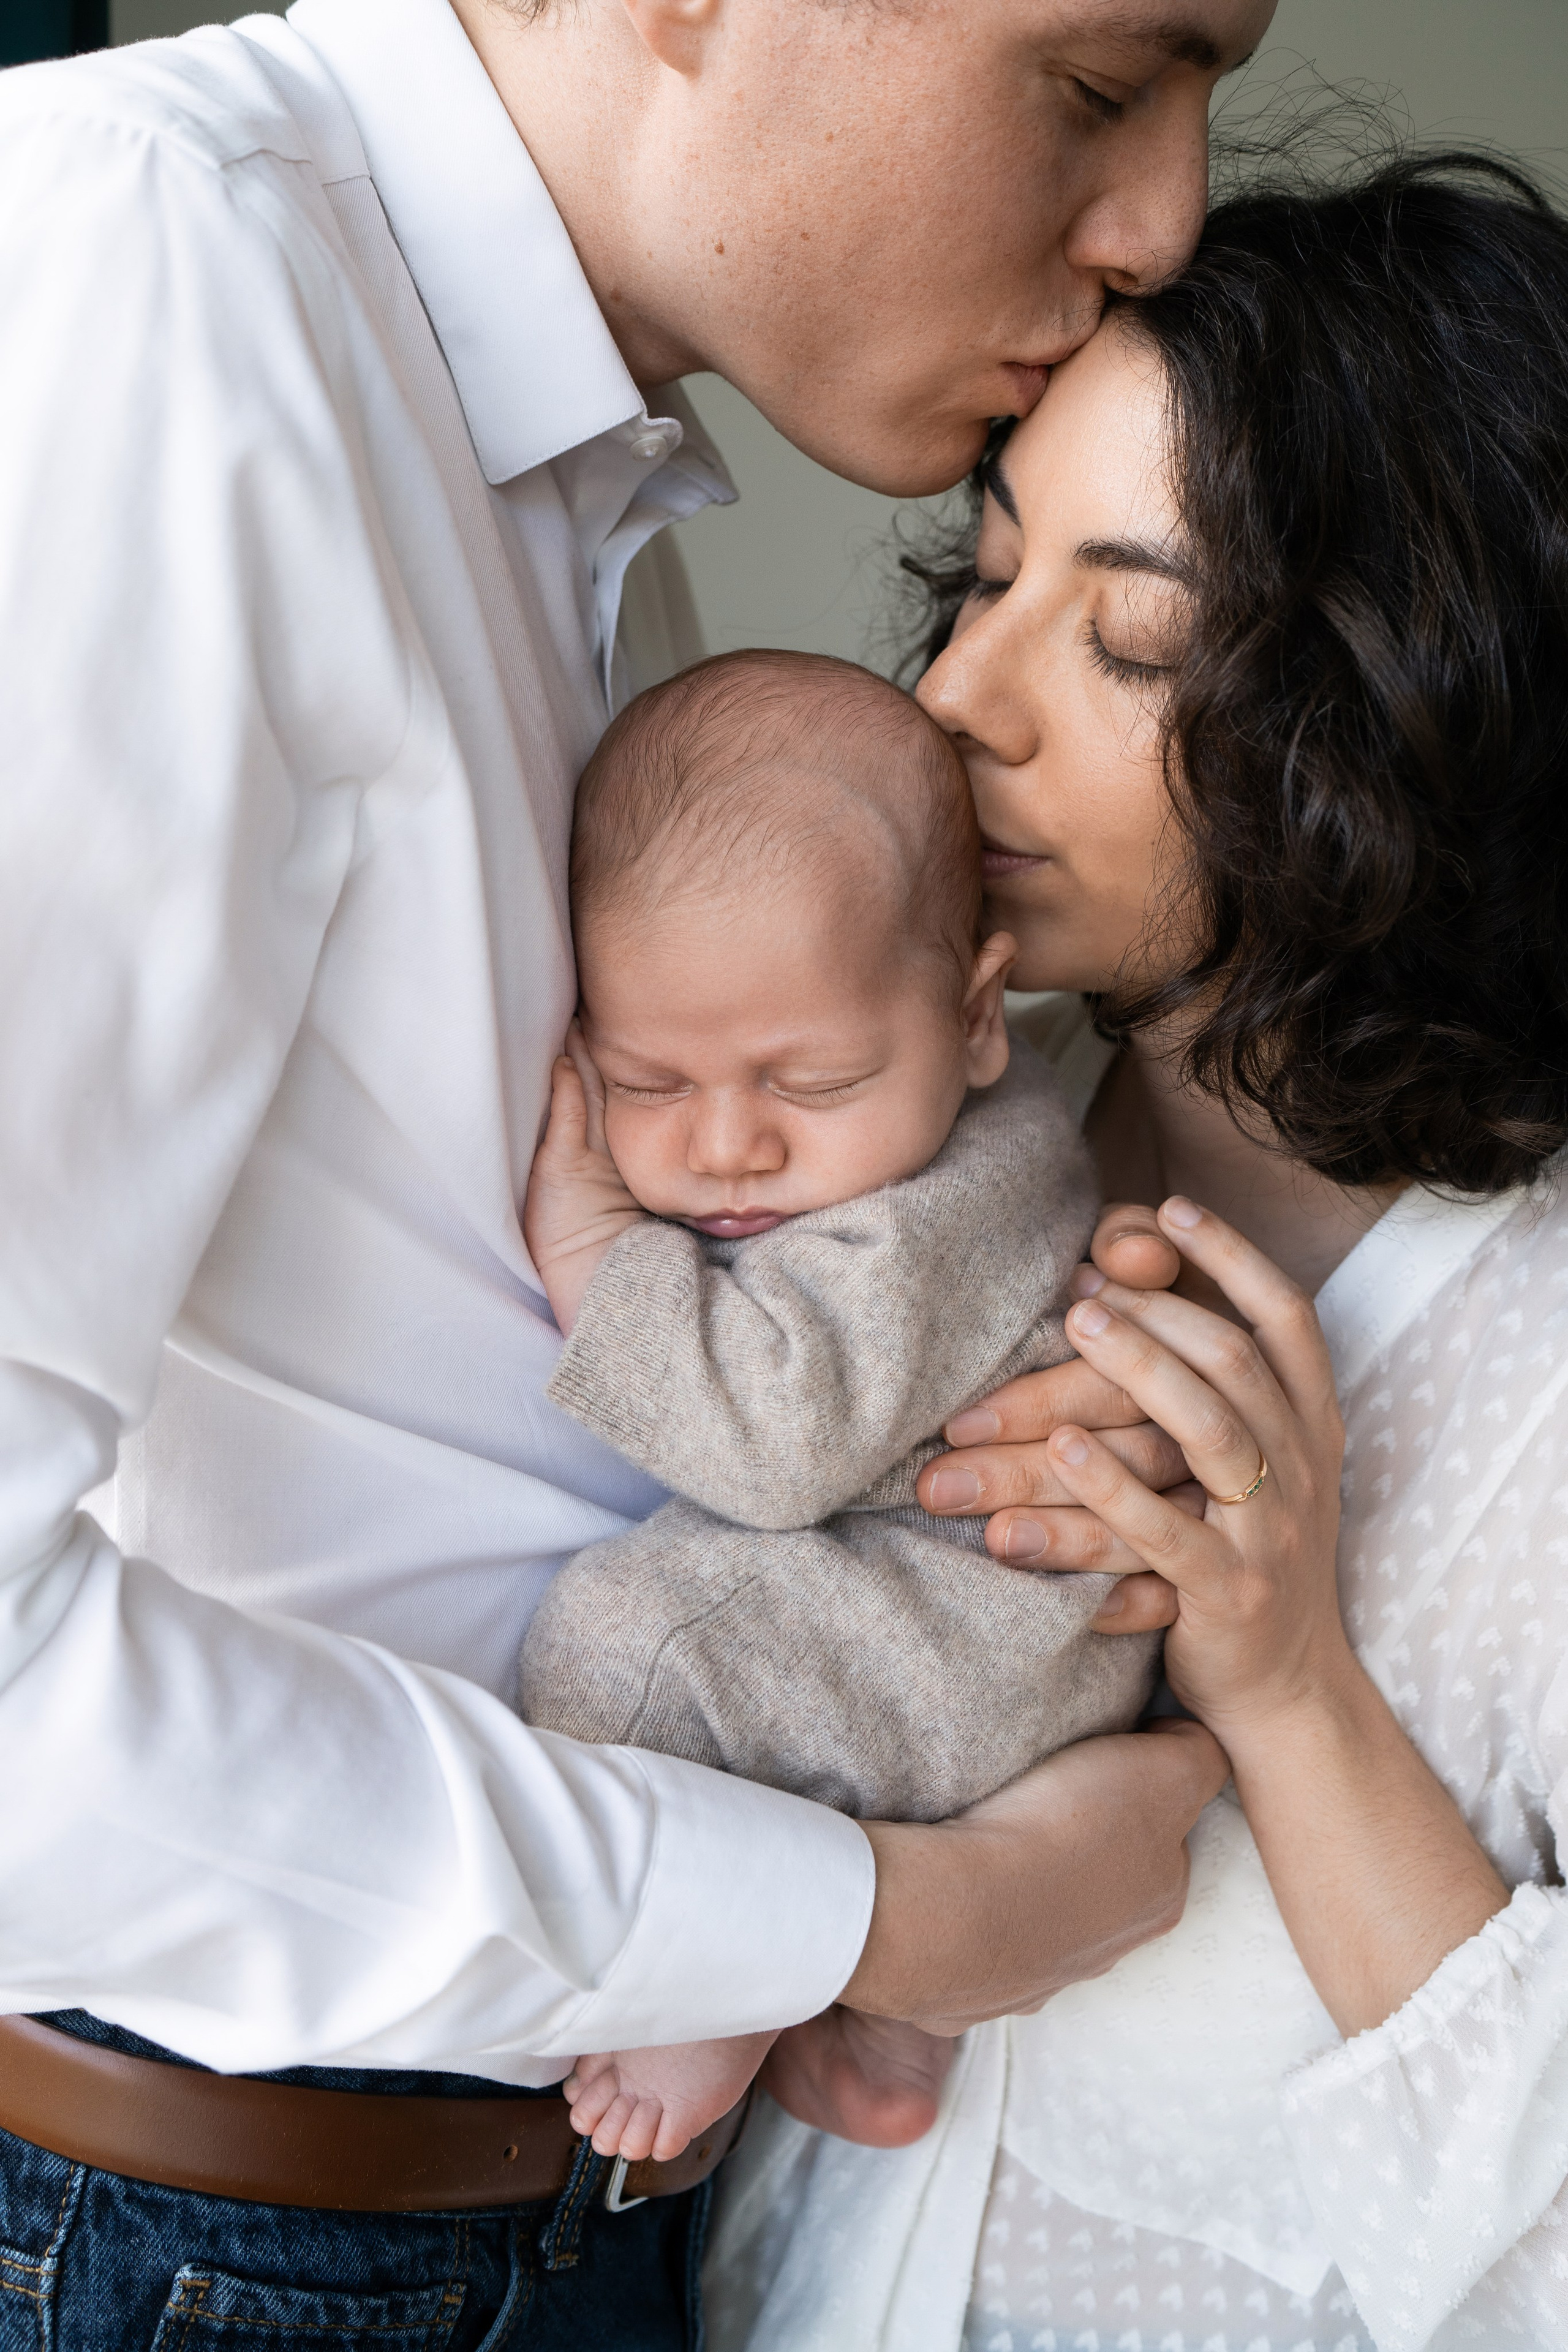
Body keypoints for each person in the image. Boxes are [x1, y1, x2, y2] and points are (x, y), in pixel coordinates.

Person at [0, 0, 1263, 2337]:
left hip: (553, 2210)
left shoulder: (587, 521)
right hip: (231, 2234)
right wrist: (891, 1916)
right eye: (1101, 82)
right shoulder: (147, 286)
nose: (1167, 218)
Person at [707, 153, 1568, 2352]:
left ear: (1412, 713)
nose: (959, 698)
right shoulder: (880, 1149)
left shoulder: (1542, 1383)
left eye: (1130, 638)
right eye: (986, 579)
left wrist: (1291, 1691)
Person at [518, 648, 1166, 2165]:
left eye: (806, 1084)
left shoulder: (940, 1212)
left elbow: (771, 1446)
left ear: (979, 1017)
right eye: (645, 1082)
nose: (725, 1147)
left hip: (976, 1637)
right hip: (958, 1644)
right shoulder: (905, 1114)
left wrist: (595, 1245)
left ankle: (725, 1972)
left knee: (625, 1645)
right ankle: (887, 2025)